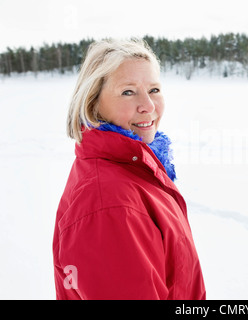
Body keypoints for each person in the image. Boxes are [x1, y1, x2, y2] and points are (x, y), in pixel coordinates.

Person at [52, 38, 206, 300]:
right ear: (93, 104)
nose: (148, 106)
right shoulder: (109, 203)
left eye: (154, 89)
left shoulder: (135, 169)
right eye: (128, 91)